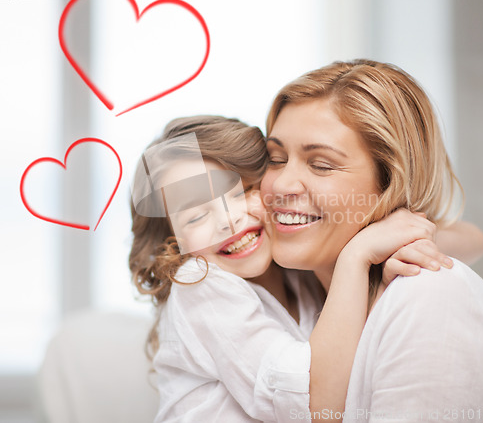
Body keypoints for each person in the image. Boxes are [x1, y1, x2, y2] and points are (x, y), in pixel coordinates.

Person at [129, 115, 460, 423]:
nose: (228, 221)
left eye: (242, 191)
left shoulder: (297, 268)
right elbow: (315, 407)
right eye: (196, 216)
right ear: (173, 243)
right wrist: (357, 255)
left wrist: (405, 232)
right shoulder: (198, 283)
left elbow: (470, 239)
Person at [261, 59, 483, 422]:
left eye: (321, 165)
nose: (279, 185)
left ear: (390, 182)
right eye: (275, 159)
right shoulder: (292, 291)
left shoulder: (427, 298)